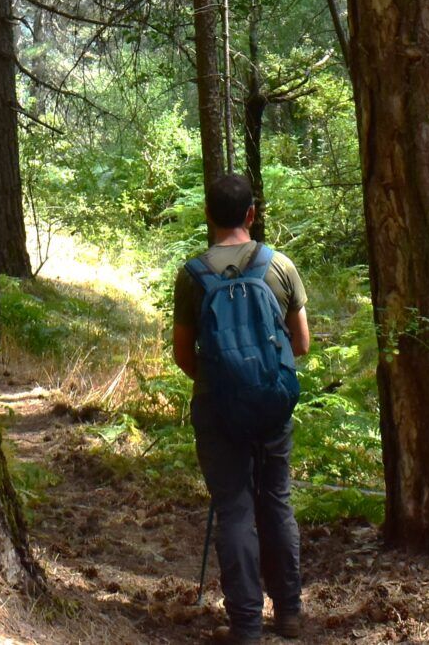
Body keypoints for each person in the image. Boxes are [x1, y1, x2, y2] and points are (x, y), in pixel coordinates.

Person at [173, 171, 312, 641]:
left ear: (207, 215)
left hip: (217, 410)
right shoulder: (279, 266)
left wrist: (223, 381)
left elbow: (183, 355)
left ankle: (247, 626)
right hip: (272, 406)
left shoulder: (192, 275)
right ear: (251, 214)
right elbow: (301, 344)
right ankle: (288, 613)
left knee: (233, 508)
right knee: (275, 501)